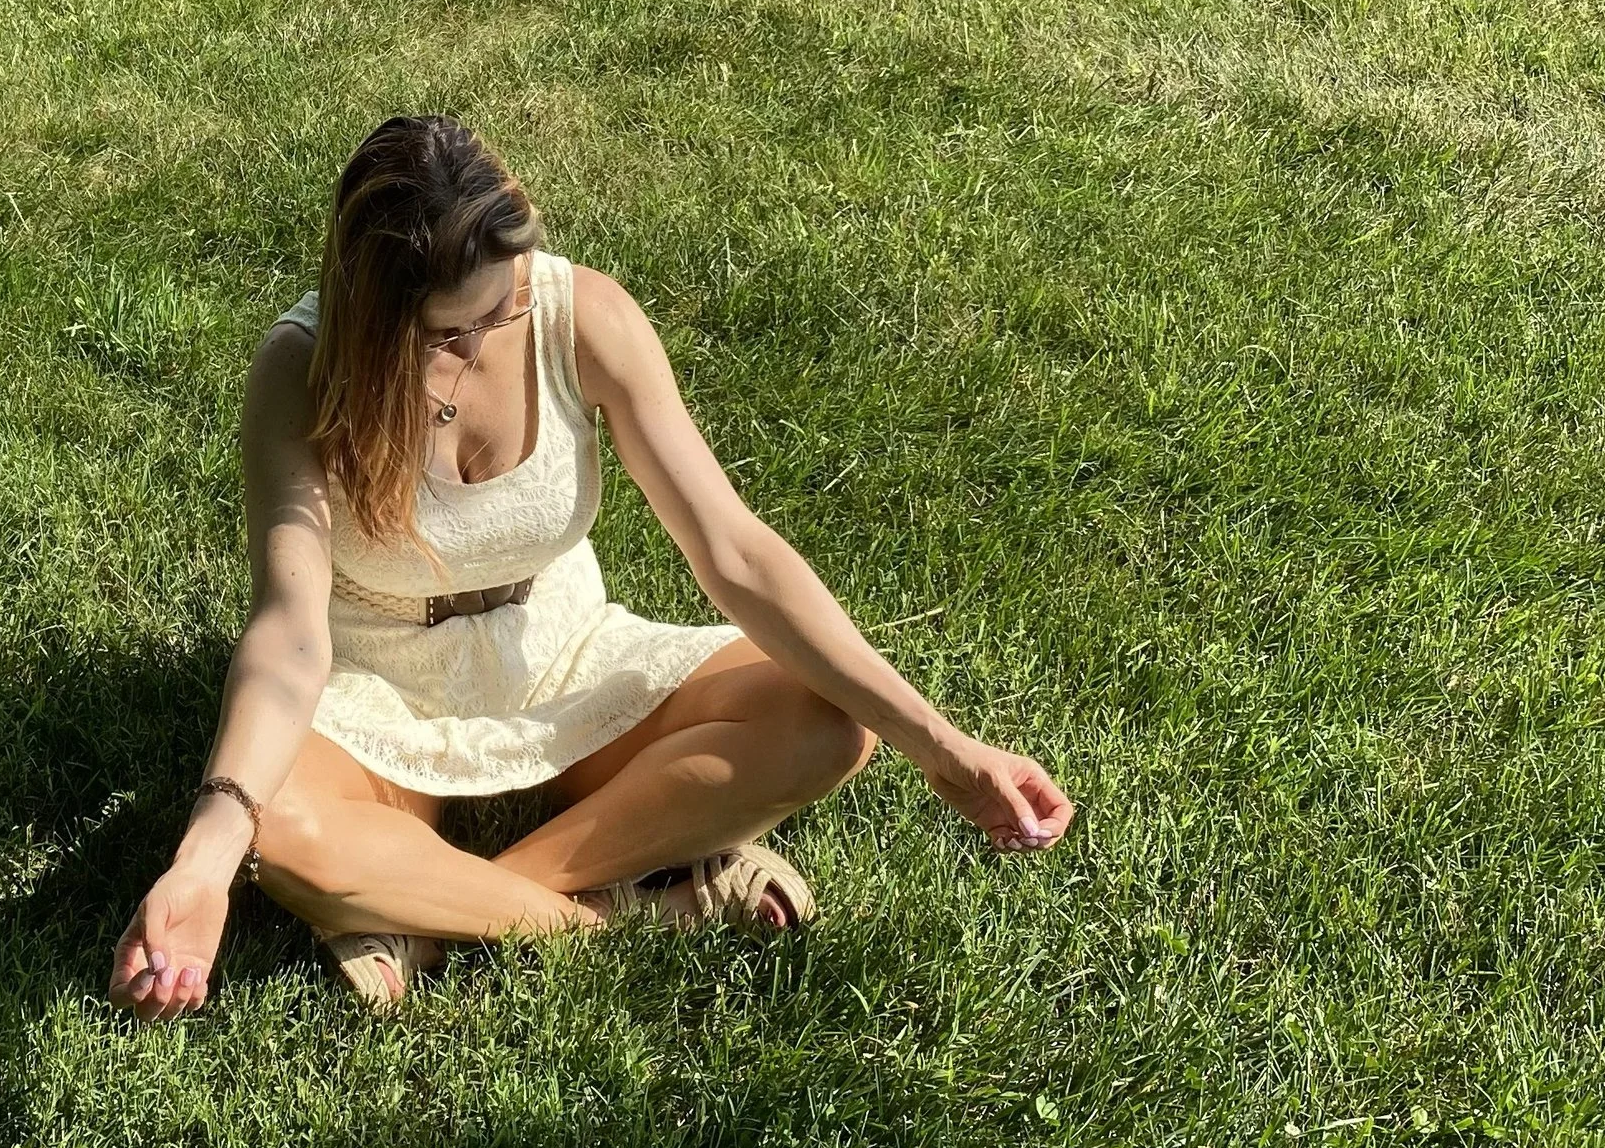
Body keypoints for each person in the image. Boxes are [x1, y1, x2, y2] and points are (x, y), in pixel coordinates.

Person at [111, 117, 1074, 1016]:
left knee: (830, 725)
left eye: (510, 294)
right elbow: (289, 631)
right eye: (454, 331)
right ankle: (626, 911)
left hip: (562, 652)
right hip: (376, 687)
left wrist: (945, 750)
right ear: (374, 316)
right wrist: (203, 862)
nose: (495, 333)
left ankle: (442, 910)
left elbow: (735, 551)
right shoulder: (301, 369)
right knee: (287, 836)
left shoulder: (582, 315)